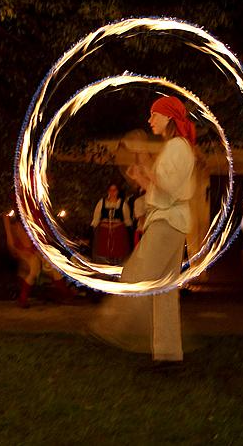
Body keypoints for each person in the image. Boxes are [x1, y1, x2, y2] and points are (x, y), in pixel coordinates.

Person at [89, 95, 195, 363]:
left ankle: (111, 327)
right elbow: (164, 188)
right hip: (171, 219)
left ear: (169, 117)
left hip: (168, 221)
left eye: (154, 114)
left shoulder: (177, 147)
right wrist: (143, 177)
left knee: (137, 273)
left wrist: (147, 165)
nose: (150, 120)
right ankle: (169, 354)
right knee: (164, 292)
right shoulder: (175, 147)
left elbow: (169, 187)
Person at [2, 211, 74, 308]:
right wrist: (22, 253)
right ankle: (22, 299)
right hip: (24, 252)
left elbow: (41, 241)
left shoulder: (33, 222)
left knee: (54, 269)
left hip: (35, 251)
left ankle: (66, 295)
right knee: (34, 269)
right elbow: (11, 245)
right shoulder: (16, 225)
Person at [90, 183, 132, 265]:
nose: (112, 192)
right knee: (103, 253)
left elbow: (127, 220)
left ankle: (117, 273)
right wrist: (93, 230)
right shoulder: (102, 202)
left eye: (114, 190)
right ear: (108, 191)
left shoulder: (123, 204)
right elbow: (96, 218)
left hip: (118, 233)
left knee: (119, 253)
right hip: (104, 233)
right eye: (111, 190)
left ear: (117, 191)